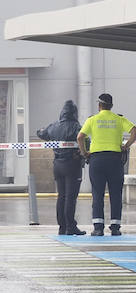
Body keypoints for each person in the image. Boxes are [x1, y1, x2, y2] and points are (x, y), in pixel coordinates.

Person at [77, 93, 136, 237]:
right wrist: (126, 146)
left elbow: (80, 137)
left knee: (97, 193)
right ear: (111, 106)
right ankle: (115, 228)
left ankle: (98, 228)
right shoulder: (119, 119)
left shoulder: (92, 120)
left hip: (97, 160)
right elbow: (135, 131)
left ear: (99, 105)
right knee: (116, 194)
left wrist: (85, 152)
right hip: (115, 160)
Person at [38, 100, 84, 235]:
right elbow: (84, 139)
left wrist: (43, 131)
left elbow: (41, 133)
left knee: (61, 196)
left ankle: (62, 227)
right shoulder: (76, 126)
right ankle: (71, 226)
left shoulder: (54, 126)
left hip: (57, 165)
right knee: (71, 197)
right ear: (74, 113)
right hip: (72, 164)